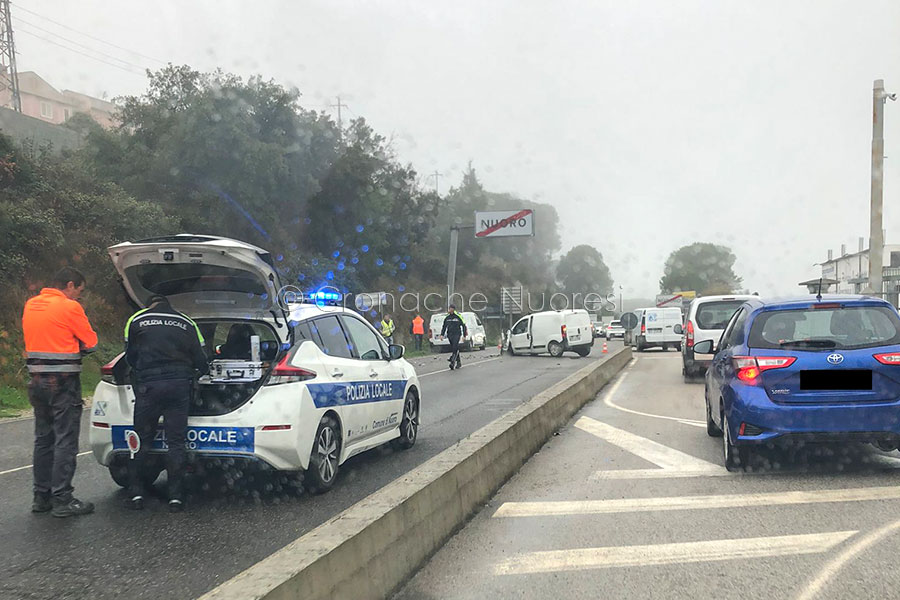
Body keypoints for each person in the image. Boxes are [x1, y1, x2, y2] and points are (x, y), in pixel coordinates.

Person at [22, 267, 98, 517]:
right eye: (79, 290)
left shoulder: (31, 305)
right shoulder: (69, 307)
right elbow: (91, 342)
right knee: (65, 438)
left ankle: (40, 496)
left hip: (36, 380)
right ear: (69, 285)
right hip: (63, 382)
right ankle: (63, 498)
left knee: (43, 438)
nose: (79, 296)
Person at [123, 295, 209, 512]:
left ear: (149, 303)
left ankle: (136, 494)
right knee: (176, 442)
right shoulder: (186, 322)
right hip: (178, 387)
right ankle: (176, 498)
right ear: (170, 305)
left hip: (148, 387)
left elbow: (130, 356)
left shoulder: (136, 319)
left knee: (140, 440)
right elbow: (201, 359)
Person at [440, 304, 468, 369]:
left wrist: (464, 335)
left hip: (457, 334)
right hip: (450, 334)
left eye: (451, 308)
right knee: (454, 348)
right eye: (449, 308)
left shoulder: (458, 316)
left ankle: (452, 361)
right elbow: (444, 326)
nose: (449, 310)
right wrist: (442, 335)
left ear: (453, 309)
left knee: (455, 346)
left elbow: (464, 326)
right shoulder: (447, 317)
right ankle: (458, 362)